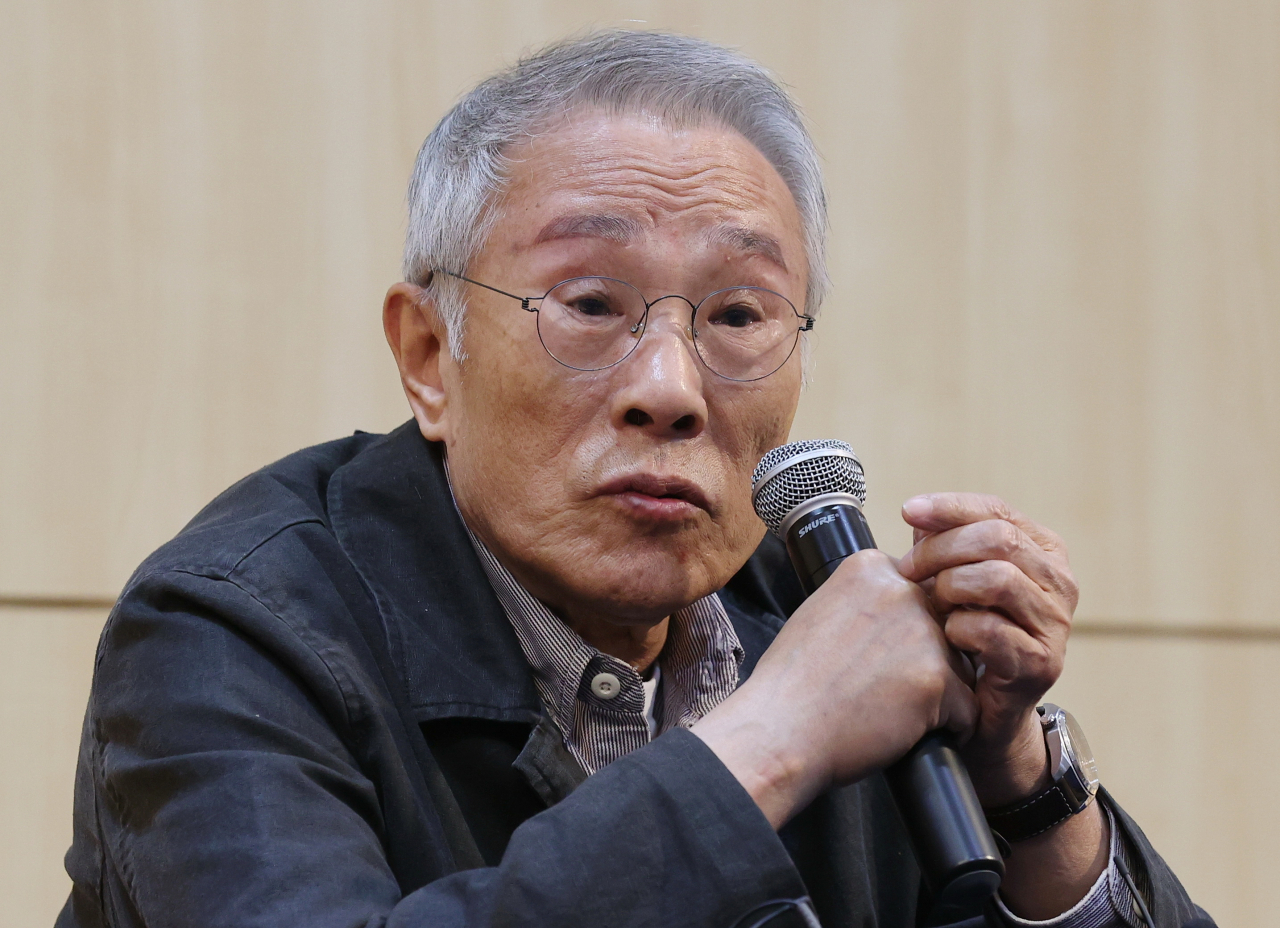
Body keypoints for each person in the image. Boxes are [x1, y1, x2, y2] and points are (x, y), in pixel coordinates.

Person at [58, 30, 1213, 928]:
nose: (669, 387)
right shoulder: (229, 631)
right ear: (426, 356)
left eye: (738, 314)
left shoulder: (820, 614)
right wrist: (773, 739)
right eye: (590, 303)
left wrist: (1018, 779)